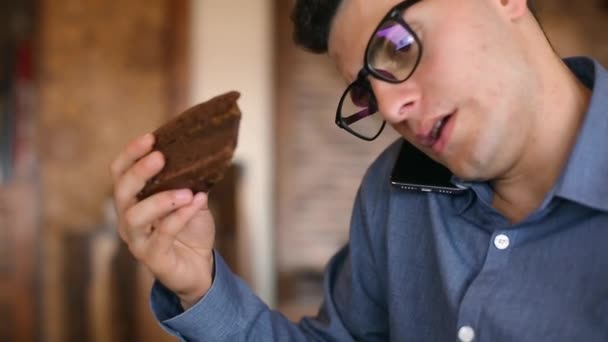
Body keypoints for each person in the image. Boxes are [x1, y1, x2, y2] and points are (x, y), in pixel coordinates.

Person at [110, 0, 608, 340]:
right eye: (367, 92)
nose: (392, 110)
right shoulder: (393, 191)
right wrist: (199, 284)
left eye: (397, 45)